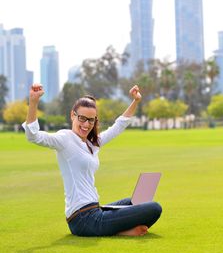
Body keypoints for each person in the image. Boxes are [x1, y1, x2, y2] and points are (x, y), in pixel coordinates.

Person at [22, 83, 162, 237]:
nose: (86, 124)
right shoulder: (65, 138)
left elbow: (118, 127)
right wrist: (34, 102)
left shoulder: (92, 144)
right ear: (72, 115)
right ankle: (123, 232)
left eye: (91, 120)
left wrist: (135, 101)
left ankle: (122, 229)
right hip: (83, 219)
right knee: (154, 207)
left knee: (139, 200)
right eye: (82, 118)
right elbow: (33, 136)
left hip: (95, 210)